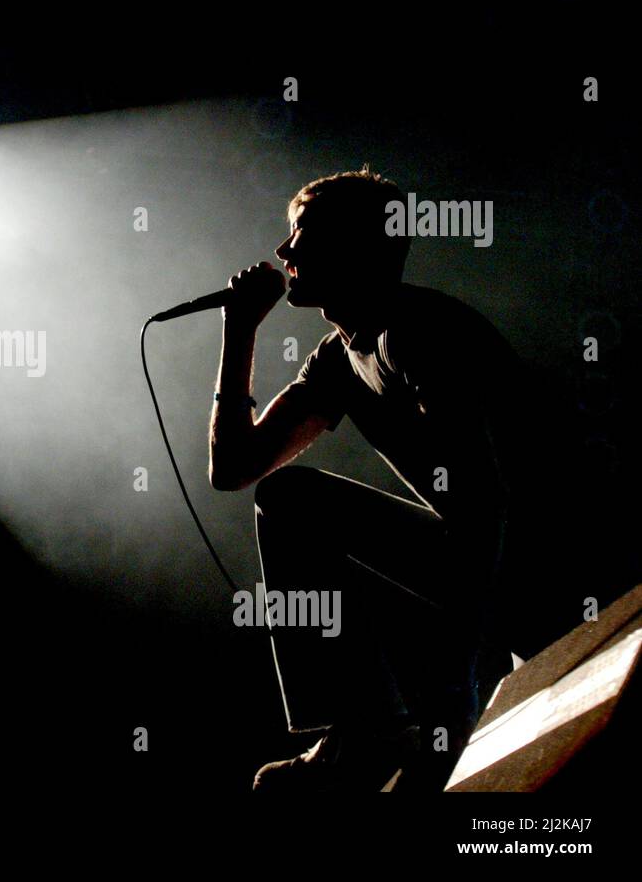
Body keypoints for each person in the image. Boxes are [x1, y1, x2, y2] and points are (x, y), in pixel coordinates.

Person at [209, 167, 544, 792]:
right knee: (285, 497)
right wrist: (239, 332)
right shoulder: (339, 359)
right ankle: (362, 727)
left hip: (539, 559)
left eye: (301, 234)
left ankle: (380, 727)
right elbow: (234, 469)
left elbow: (488, 498)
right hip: (480, 555)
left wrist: (461, 686)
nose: (283, 253)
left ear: (354, 245)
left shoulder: (414, 333)